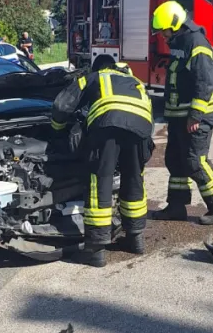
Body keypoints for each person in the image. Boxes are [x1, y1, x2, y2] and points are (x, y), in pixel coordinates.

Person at [50, 55, 154, 267]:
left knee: (101, 181)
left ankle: (96, 250)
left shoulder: (94, 77)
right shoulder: (134, 82)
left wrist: (56, 130)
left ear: (97, 68)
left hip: (108, 125)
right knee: (134, 179)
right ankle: (136, 239)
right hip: (141, 129)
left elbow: (62, 105)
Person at [151, 0, 213, 225]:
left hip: (197, 117)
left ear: (175, 25)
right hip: (179, 117)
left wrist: (195, 115)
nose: (163, 36)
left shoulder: (197, 43)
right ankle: (176, 206)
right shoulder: (181, 42)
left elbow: (204, 82)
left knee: (195, 161)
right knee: (175, 161)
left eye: (164, 31)